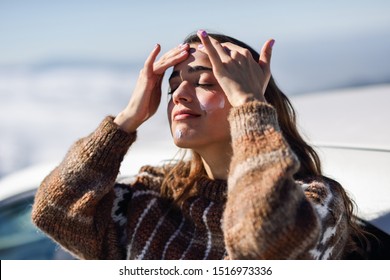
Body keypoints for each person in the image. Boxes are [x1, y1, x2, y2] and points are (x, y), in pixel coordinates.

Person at [32, 29, 366, 260]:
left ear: (249, 99)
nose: (178, 94)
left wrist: (250, 105)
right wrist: (126, 120)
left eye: (204, 82)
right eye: (171, 86)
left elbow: (262, 247)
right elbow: (54, 211)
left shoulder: (314, 203)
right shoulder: (152, 199)